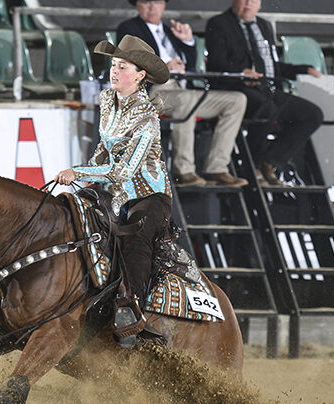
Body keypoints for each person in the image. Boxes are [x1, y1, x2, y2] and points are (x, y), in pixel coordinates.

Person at [54, 35, 171, 348]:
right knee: (71, 213)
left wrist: (78, 172)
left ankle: (133, 313)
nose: (115, 70)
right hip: (113, 191)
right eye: (114, 64)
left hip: (148, 196)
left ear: (140, 75)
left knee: (135, 238)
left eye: (123, 66)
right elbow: (104, 154)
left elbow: (125, 171)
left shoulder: (146, 117)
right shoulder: (107, 99)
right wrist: (88, 172)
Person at [117, 0, 248, 187]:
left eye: (157, 2)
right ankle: (184, 169)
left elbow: (191, 65)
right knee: (186, 101)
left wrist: (188, 41)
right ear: (137, 5)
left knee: (237, 100)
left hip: (183, 89)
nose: (152, 7)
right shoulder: (129, 28)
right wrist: (164, 66)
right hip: (154, 92)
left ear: (164, 5)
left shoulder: (171, 32)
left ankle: (217, 167)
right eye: (146, 2)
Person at [205, 0, 324, 185]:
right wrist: (241, 73)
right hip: (238, 88)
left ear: (259, 4)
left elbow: (272, 66)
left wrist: (303, 69)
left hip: (267, 88)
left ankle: (270, 161)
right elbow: (216, 63)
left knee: (312, 114)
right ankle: (251, 165)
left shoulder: (264, 25)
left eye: (252, 0)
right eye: (243, 0)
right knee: (267, 107)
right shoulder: (219, 24)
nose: (247, 4)